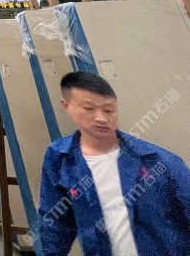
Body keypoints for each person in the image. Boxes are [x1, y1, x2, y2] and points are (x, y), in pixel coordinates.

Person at [37, 71, 190, 256]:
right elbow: (55, 222)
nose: (101, 118)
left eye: (109, 110)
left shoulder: (156, 161)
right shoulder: (60, 159)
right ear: (66, 105)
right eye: (89, 108)